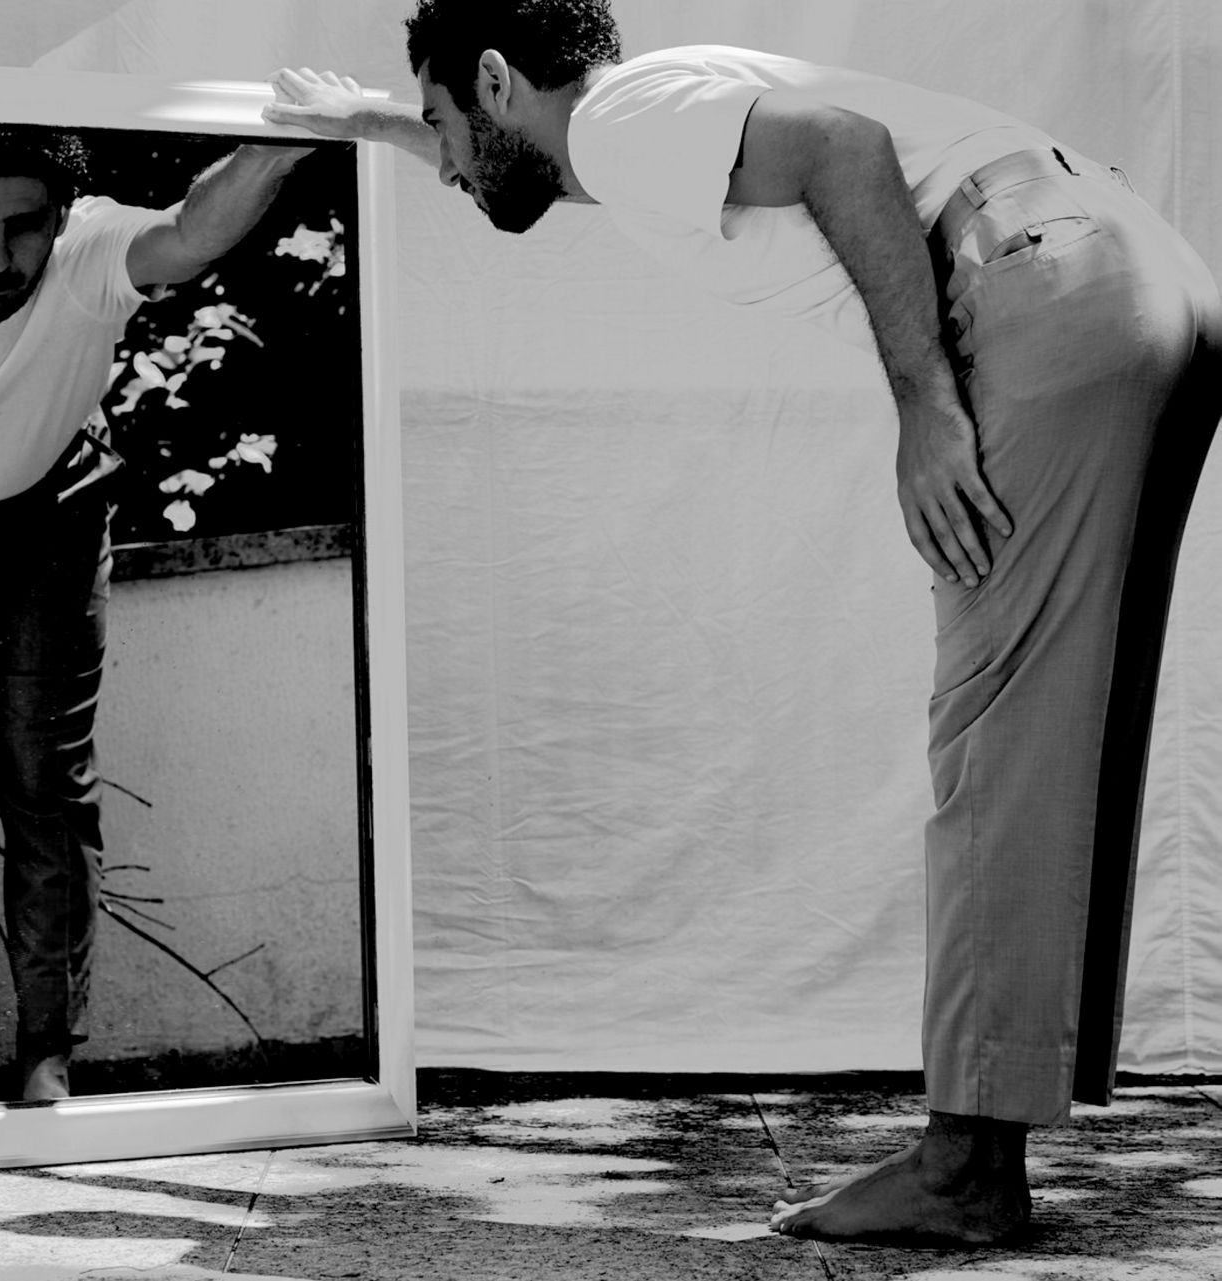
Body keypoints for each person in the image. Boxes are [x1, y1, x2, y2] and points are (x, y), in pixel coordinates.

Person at [263, 0, 1222, 1246]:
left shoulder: (620, 121)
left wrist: (924, 407)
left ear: (497, 83)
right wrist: (382, 123)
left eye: (442, 123)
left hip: (1036, 284)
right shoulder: (645, 119)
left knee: (998, 731)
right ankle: (991, 1132)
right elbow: (565, 165)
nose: (442, 163)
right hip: (1131, 270)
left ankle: (966, 1168)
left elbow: (839, 146)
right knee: (1064, 722)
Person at [0, 121, 312, 1102]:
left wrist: (278, 146)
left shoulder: (90, 246)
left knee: (42, 778)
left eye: (24, 226)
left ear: (61, 217)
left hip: (52, 500)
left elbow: (188, 233)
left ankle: (45, 1053)